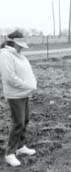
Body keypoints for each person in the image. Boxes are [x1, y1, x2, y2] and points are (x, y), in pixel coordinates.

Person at [0, 30, 37, 166]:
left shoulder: (18, 55)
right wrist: (27, 85)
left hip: (24, 93)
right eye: (20, 44)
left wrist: (31, 84)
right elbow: (10, 78)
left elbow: (27, 71)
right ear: (13, 43)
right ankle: (10, 153)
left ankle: (20, 147)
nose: (22, 47)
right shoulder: (5, 55)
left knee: (25, 120)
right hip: (15, 95)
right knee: (18, 123)